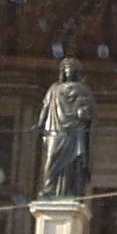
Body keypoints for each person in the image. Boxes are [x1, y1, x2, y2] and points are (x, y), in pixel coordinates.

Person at [37, 58, 96, 199]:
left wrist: (84, 113)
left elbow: (90, 112)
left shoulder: (83, 90)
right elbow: (46, 107)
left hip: (75, 130)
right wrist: (40, 124)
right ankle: (49, 189)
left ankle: (69, 191)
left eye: (71, 68)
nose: (69, 71)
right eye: (66, 68)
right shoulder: (54, 89)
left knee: (73, 162)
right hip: (56, 129)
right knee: (51, 158)